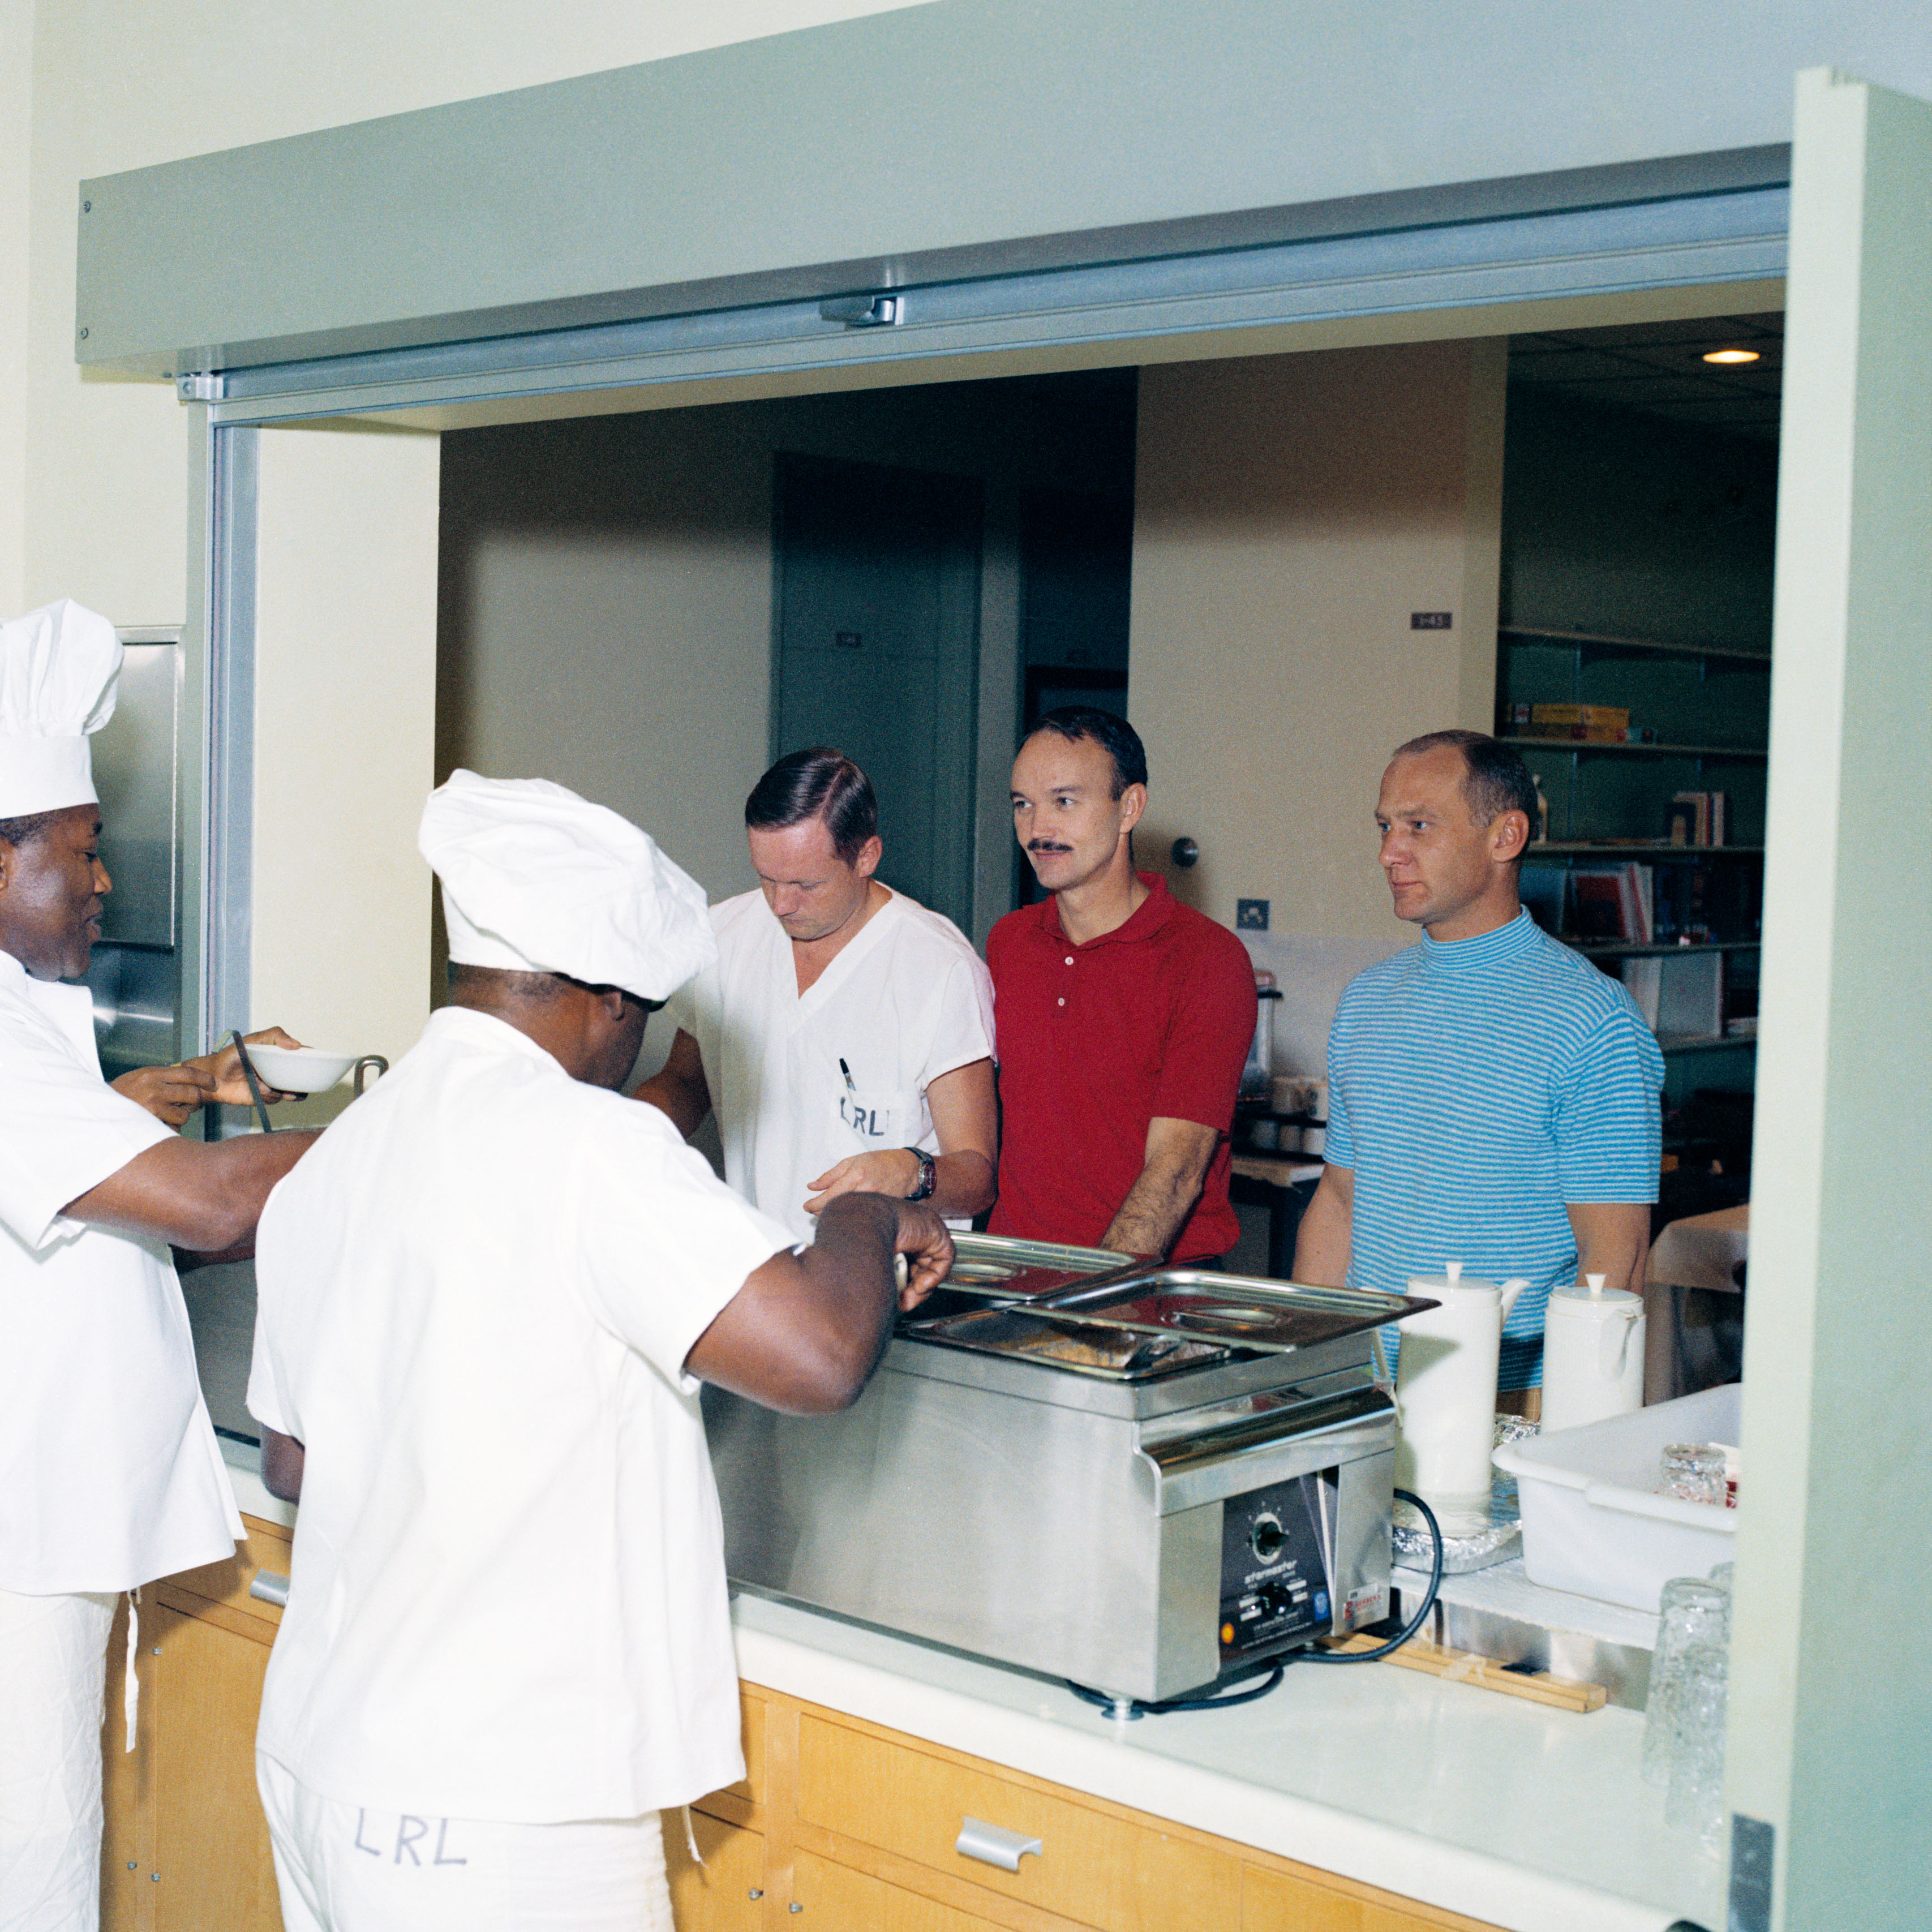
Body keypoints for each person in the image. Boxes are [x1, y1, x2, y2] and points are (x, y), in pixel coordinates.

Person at [247, 770, 951, 1932]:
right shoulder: (590, 1145)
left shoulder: (342, 1147)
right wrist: (871, 1207)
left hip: (328, 1766)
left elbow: (294, 1464)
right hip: (500, 1814)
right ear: (609, 1000)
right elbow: (822, 1357)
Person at [0, 598, 312, 1932]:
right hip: (22, 1547)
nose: (105, 880)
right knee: (38, 1868)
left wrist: (177, 1079)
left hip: (42, 1524)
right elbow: (199, 1205)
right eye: (83, 851)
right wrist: (435, 1117)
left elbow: (66, 1141)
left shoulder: (29, 1018)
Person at [1293, 729, 1665, 1393]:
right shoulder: (1367, 1000)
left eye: (1419, 826)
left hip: (1510, 1401)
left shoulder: (1592, 1018)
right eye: (1384, 826)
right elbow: (1341, 1203)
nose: (1388, 852)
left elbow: (1615, 1265)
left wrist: (1562, 1436)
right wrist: (1306, 1371)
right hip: (1364, 1390)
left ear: (1505, 837)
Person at [637, 748, 996, 1239]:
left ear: (866, 857)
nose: (782, 905)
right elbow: (684, 1081)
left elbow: (977, 1178)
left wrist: (909, 1172)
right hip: (763, 1270)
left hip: (887, 1284)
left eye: (807, 884)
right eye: (767, 879)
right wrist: (631, 1130)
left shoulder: (938, 967)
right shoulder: (726, 936)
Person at [988, 707, 1256, 1261]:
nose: (1039, 829)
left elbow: (1176, 1170)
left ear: (1129, 807)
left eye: (1065, 801)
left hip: (1146, 1295)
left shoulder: (1207, 960)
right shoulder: (1008, 944)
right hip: (1014, 1285)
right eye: (1023, 805)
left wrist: (1093, 1305)